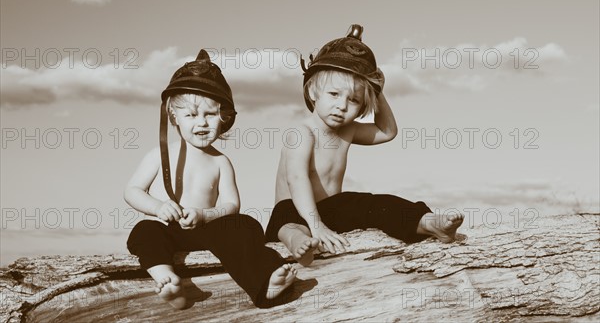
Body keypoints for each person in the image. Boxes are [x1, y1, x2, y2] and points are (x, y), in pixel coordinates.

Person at [265, 25, 464, 266]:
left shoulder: (347, 131)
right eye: (334, 94)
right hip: (295, 211)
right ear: (313, 92)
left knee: (372, 204)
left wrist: (377, 89)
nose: (342, 105)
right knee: (286, 220)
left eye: (354, 100)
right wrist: (316, 226)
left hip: (329, 213)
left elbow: (387, 131)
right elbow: (297, 180)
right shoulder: (301, 133)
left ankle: (427, 223)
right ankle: (298, 241)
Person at [126, 49, 296, 309]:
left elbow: (232, 205)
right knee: (144, 231)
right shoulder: (159, 155)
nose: (202, 123)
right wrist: (158, 207)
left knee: (244, 225)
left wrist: (204, 215)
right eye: (191, 115)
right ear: (174, 116)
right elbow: (133, 191)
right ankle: (167, 279)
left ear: (224, 117)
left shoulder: (220, 161)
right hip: (168, 229)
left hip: (208, 231)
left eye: (210, 114)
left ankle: (264, 283)